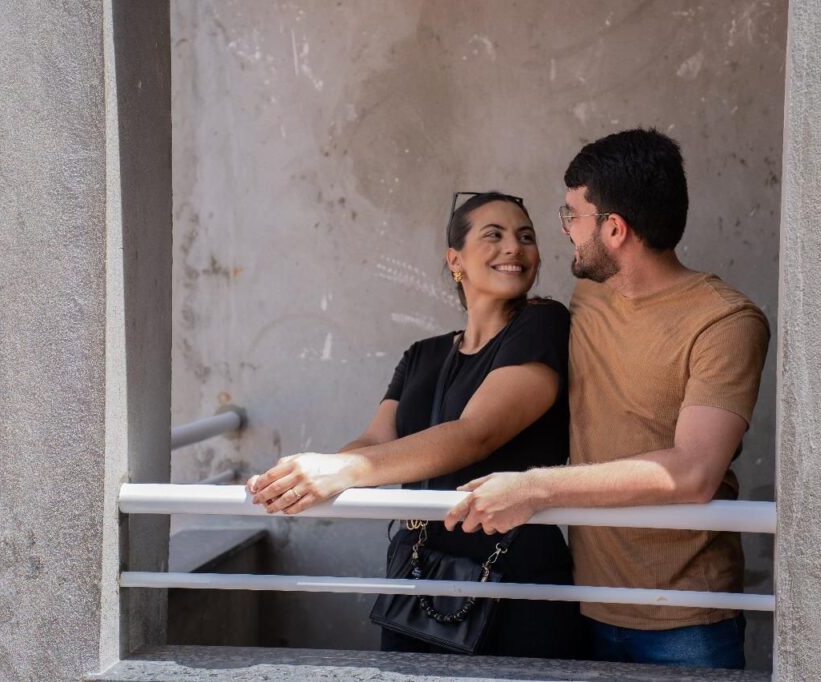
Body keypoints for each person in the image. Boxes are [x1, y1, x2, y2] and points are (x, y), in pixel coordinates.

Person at [443, 130, 770, 669]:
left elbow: (693, 472)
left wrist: (534, 487)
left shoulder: (724, 321)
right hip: (585, 602)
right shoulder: (589, 293)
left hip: (685, 615)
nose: (564, 229)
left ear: (614, 229)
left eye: (572, 215)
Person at [247, 191, 585, 658]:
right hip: (420, 573)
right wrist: (302, 475)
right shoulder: (422, 354)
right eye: (494, 235)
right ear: (455, 260)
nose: (514, 247)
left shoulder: (543, 323)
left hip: (513, 576)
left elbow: (476, 433)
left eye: (526, 237)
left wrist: (344, 471)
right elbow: (374, 440)